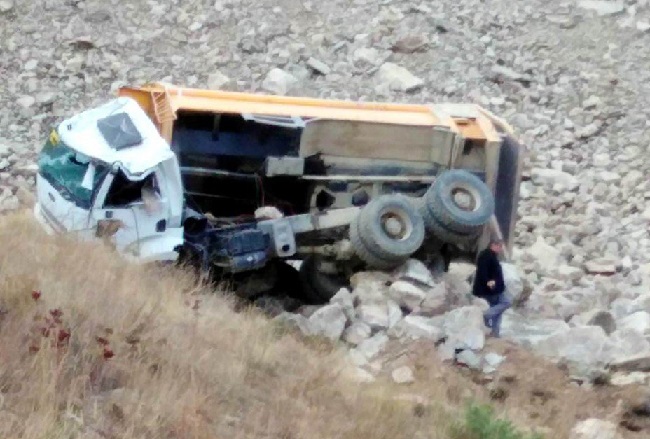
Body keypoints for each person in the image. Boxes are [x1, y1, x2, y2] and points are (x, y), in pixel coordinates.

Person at [472, 238, 511, 338]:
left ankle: (495, 333)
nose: (501, 249)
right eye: (499, 246)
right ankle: (486, 315)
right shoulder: (486, 255)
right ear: (493, 245)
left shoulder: (491, 256)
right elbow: (482, 270)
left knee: (498, 310)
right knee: (506, 303)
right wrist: (487, 281)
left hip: (496, 289)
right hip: (490, 289)